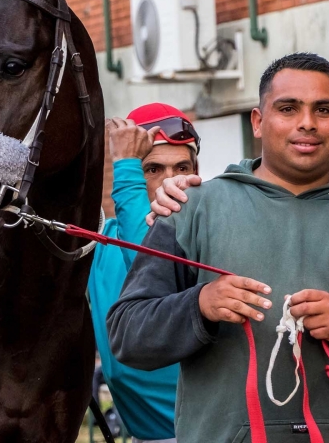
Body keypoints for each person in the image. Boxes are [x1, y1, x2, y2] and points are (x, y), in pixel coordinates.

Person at [107, 52, 329, 442]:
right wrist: (200, 305)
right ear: (258, 121)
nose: (307, 123)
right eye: (288, 108)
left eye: (323, 109)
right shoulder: (192, 210)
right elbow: (128, 335)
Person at [89, 103, 200, 443]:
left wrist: (126, 168)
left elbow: (152, 262)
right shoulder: (99, 243)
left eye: (181, 167)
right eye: (151, 169)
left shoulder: (207, 232)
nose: (170, 181)